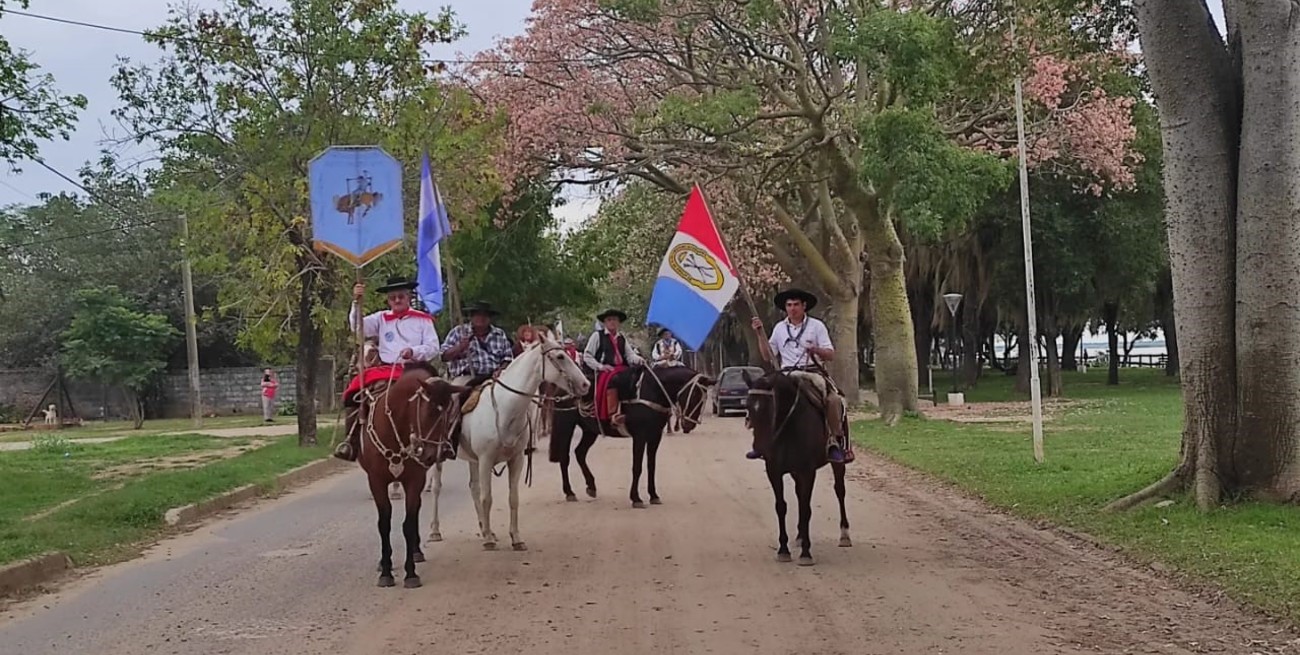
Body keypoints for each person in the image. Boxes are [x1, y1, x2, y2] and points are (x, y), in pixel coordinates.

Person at [333, 276, 442, 462]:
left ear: (408, 297)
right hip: (386, 370)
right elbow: (358, 328)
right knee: (355, 392)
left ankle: (441, 441)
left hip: (415, 369)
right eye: (393, 297)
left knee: (440, 397)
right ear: (388, 300)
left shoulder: (423, 320)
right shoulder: (381, 318)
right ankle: (351, 441)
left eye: (401, 296)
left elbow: (433, 347)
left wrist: (413, 351)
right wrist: (356, 303)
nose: (397, 300)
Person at [748, 288, 850, 464]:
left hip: (811, 372)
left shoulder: (817, 326)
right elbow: (767, 355)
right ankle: (761, 442)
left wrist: (816, 350)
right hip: (786, 373)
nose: (792, 308)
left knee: (834, 400)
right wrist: (759, 333)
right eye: (789, 305)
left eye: (796, 304)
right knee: (760, 394)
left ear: (804, 306)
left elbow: (830, 354)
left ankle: (835, 441)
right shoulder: (779, 328)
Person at [582, 309, 644, 427]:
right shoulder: (597, 336)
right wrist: (600, 366)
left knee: (636, 375)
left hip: (621, 368)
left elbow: (629, 355)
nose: (612, 322)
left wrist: (639, 359)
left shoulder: (621, 338)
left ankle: (632, 409)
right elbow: (587, 355)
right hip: (605, 370)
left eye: (615, 320)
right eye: (609, 320)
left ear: (619, 322)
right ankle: (613, 413)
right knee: (614, 379)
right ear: (604, 323)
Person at [440, 301, 514, 388]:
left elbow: (508, 358)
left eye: (485, 315)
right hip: (466, 378)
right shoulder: (459, 331)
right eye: (478, 315)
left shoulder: (499, 334)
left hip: (495, 378)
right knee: (455, 397)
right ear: (471, 316)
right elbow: (444, 356)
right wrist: (460, 347)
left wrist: (501, 370)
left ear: (490, 318)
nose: (481, 318)